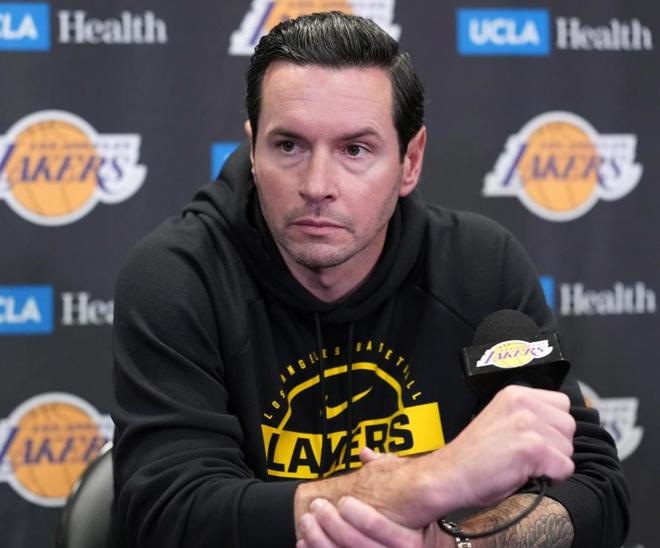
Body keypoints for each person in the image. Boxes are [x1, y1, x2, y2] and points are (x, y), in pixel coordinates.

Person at [112, 11, 629, 548]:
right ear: (253, 149)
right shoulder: (179, 275)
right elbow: (170, 514)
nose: (317, 185)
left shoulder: (480, 267)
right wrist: (428, 481)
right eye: (288, 146)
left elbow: (592, 489)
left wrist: (458, 544)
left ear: (411, 161)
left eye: (355, 149)